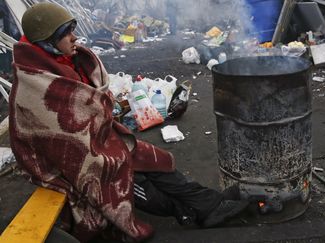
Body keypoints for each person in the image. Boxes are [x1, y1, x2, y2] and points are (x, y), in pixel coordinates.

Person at [10, 3, 248, 242]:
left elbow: (91, 111)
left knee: (155, 161)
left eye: (72, 30)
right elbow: (59, 143)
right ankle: (190, 210)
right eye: (65, 34)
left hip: (96, 141)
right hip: (67, 162)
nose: (74, 38)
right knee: (129, 174)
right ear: (46, 41)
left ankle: (210, 203)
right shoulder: (36, 83)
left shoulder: (66, 61)